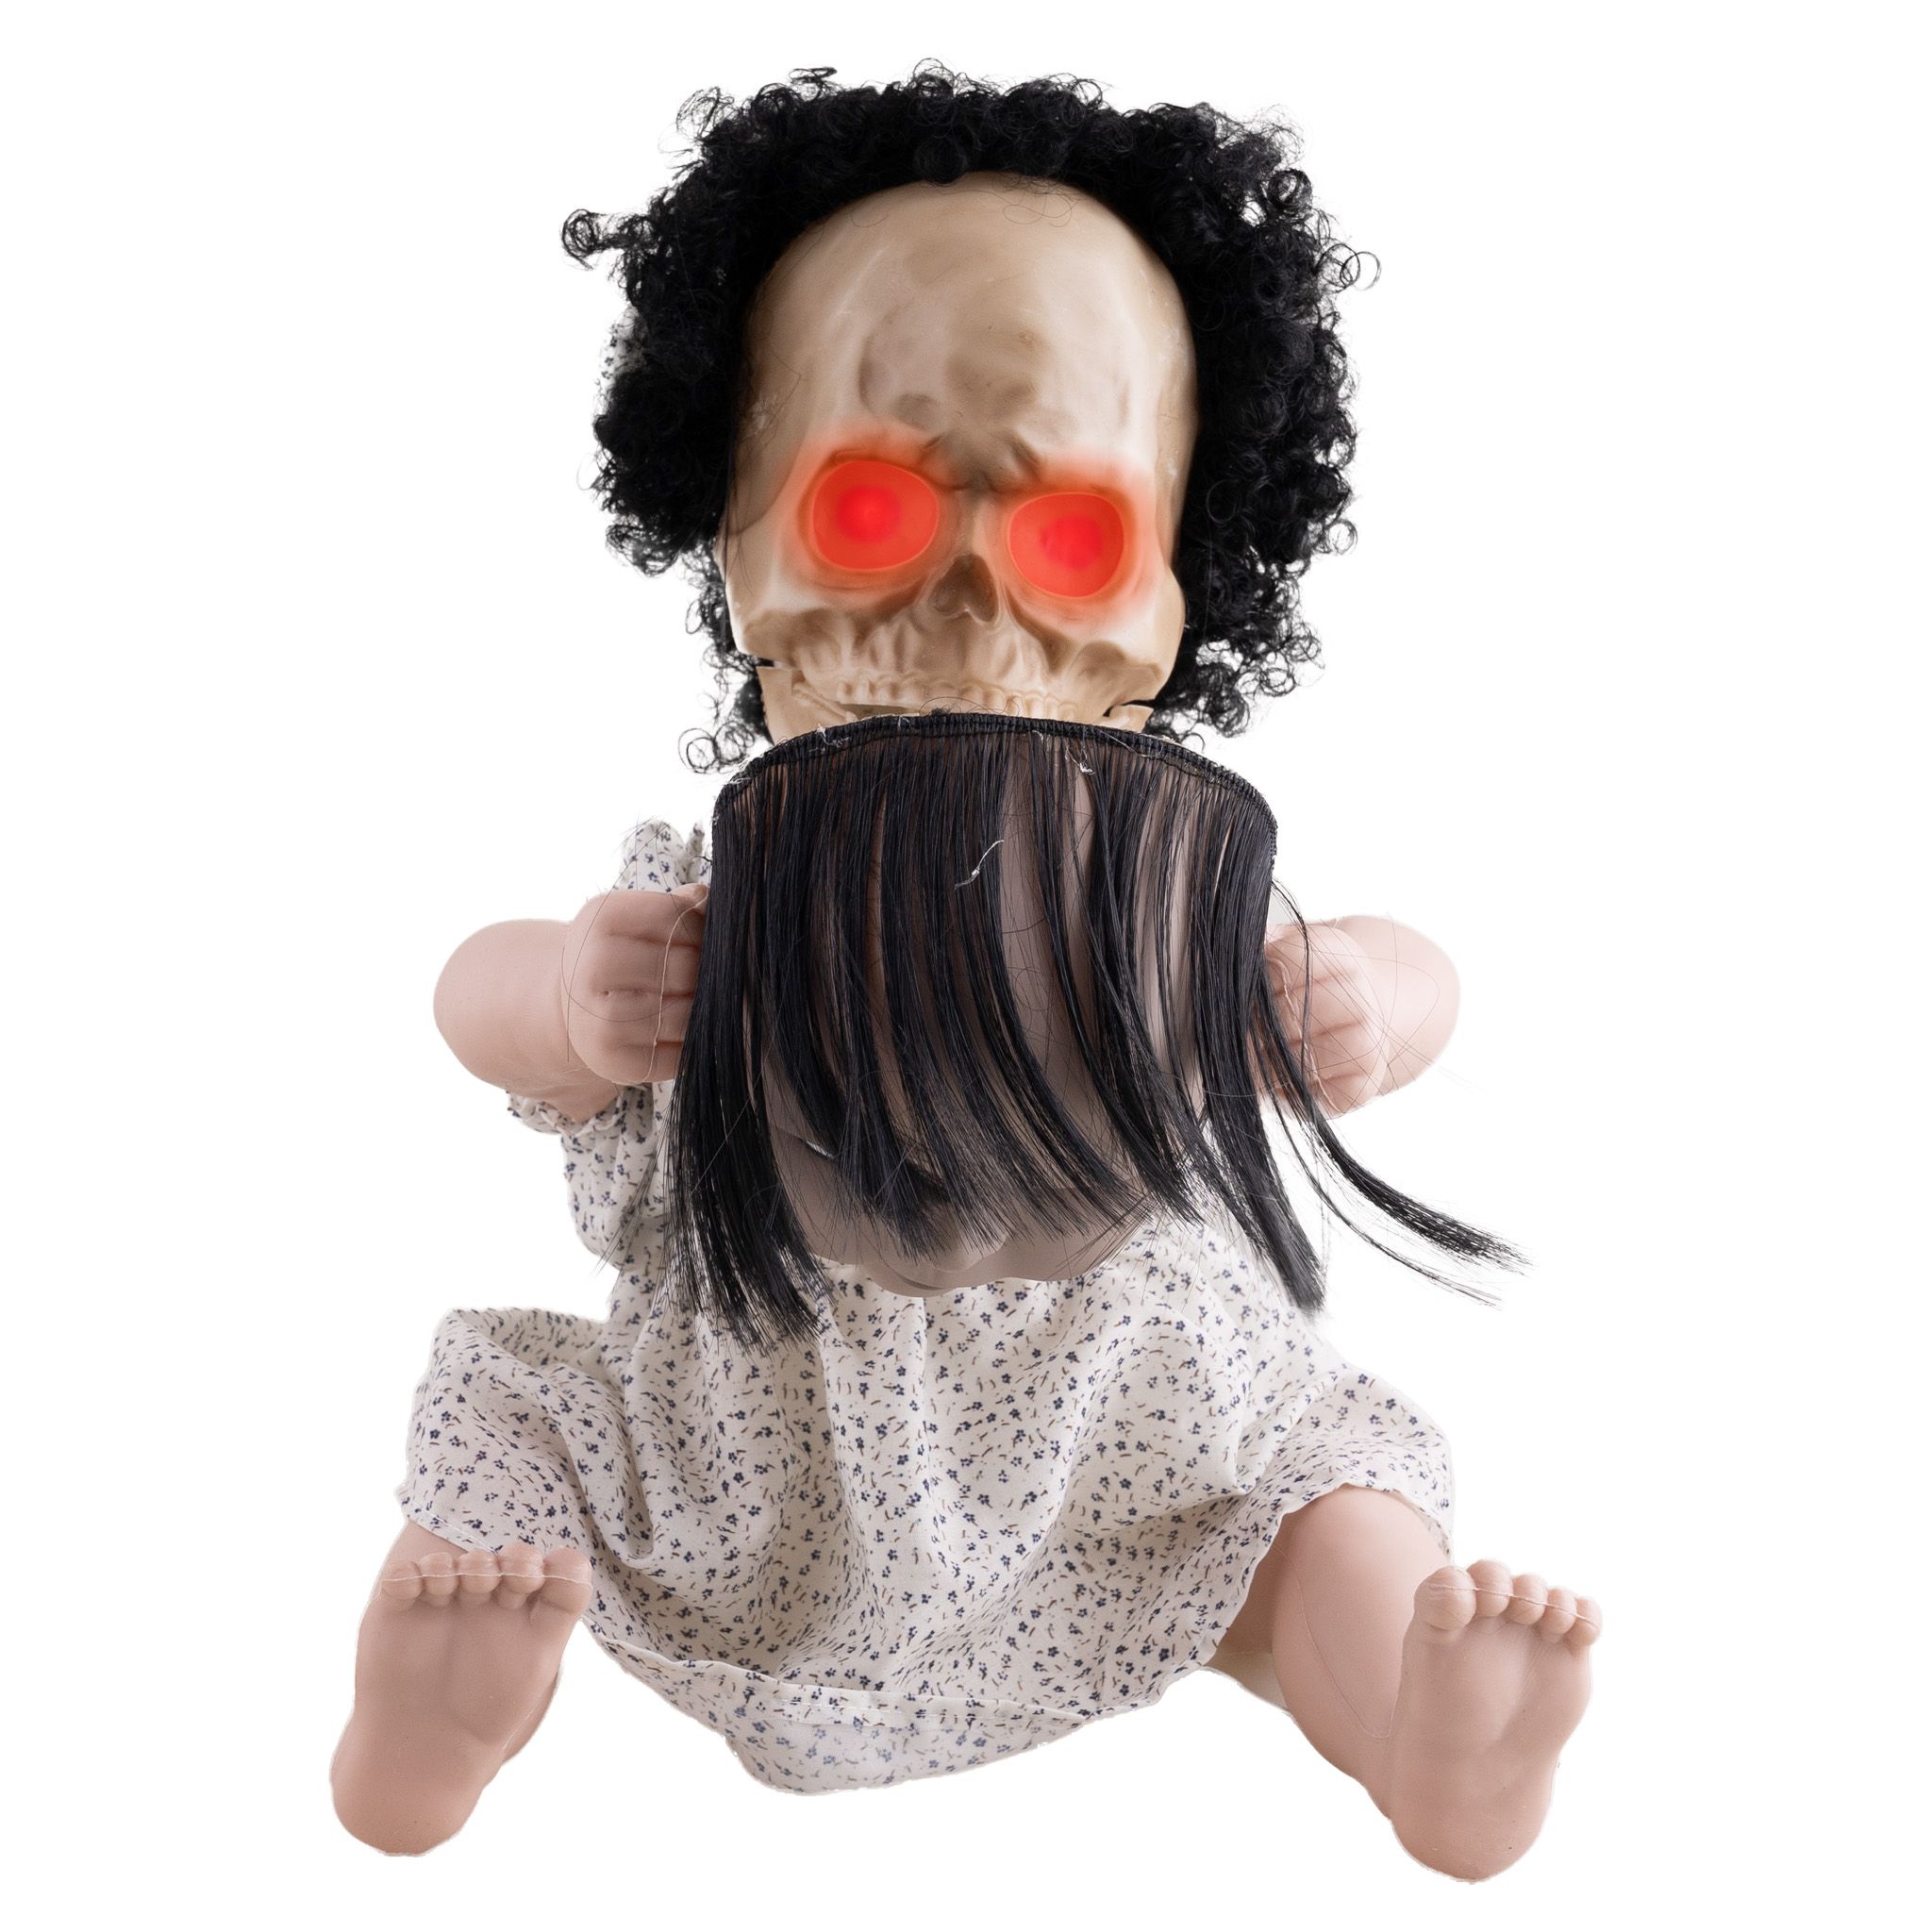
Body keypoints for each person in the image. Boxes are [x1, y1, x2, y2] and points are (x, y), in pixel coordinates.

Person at [330, 65, 1601, 1877]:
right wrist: (575, 1002)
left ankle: (1419, 1734)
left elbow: (1417, 971)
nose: (967, 597)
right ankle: (435, 1721)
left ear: (1170, 599)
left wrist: (1369, 1001)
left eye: (1072, 538)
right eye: (868, 513)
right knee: (503, 1417)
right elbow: (477, 1001)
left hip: (1140, 1453)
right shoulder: (700, 916)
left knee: (1331, 1483)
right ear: (737, 543)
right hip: (741, 1460)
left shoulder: (1164, 905)